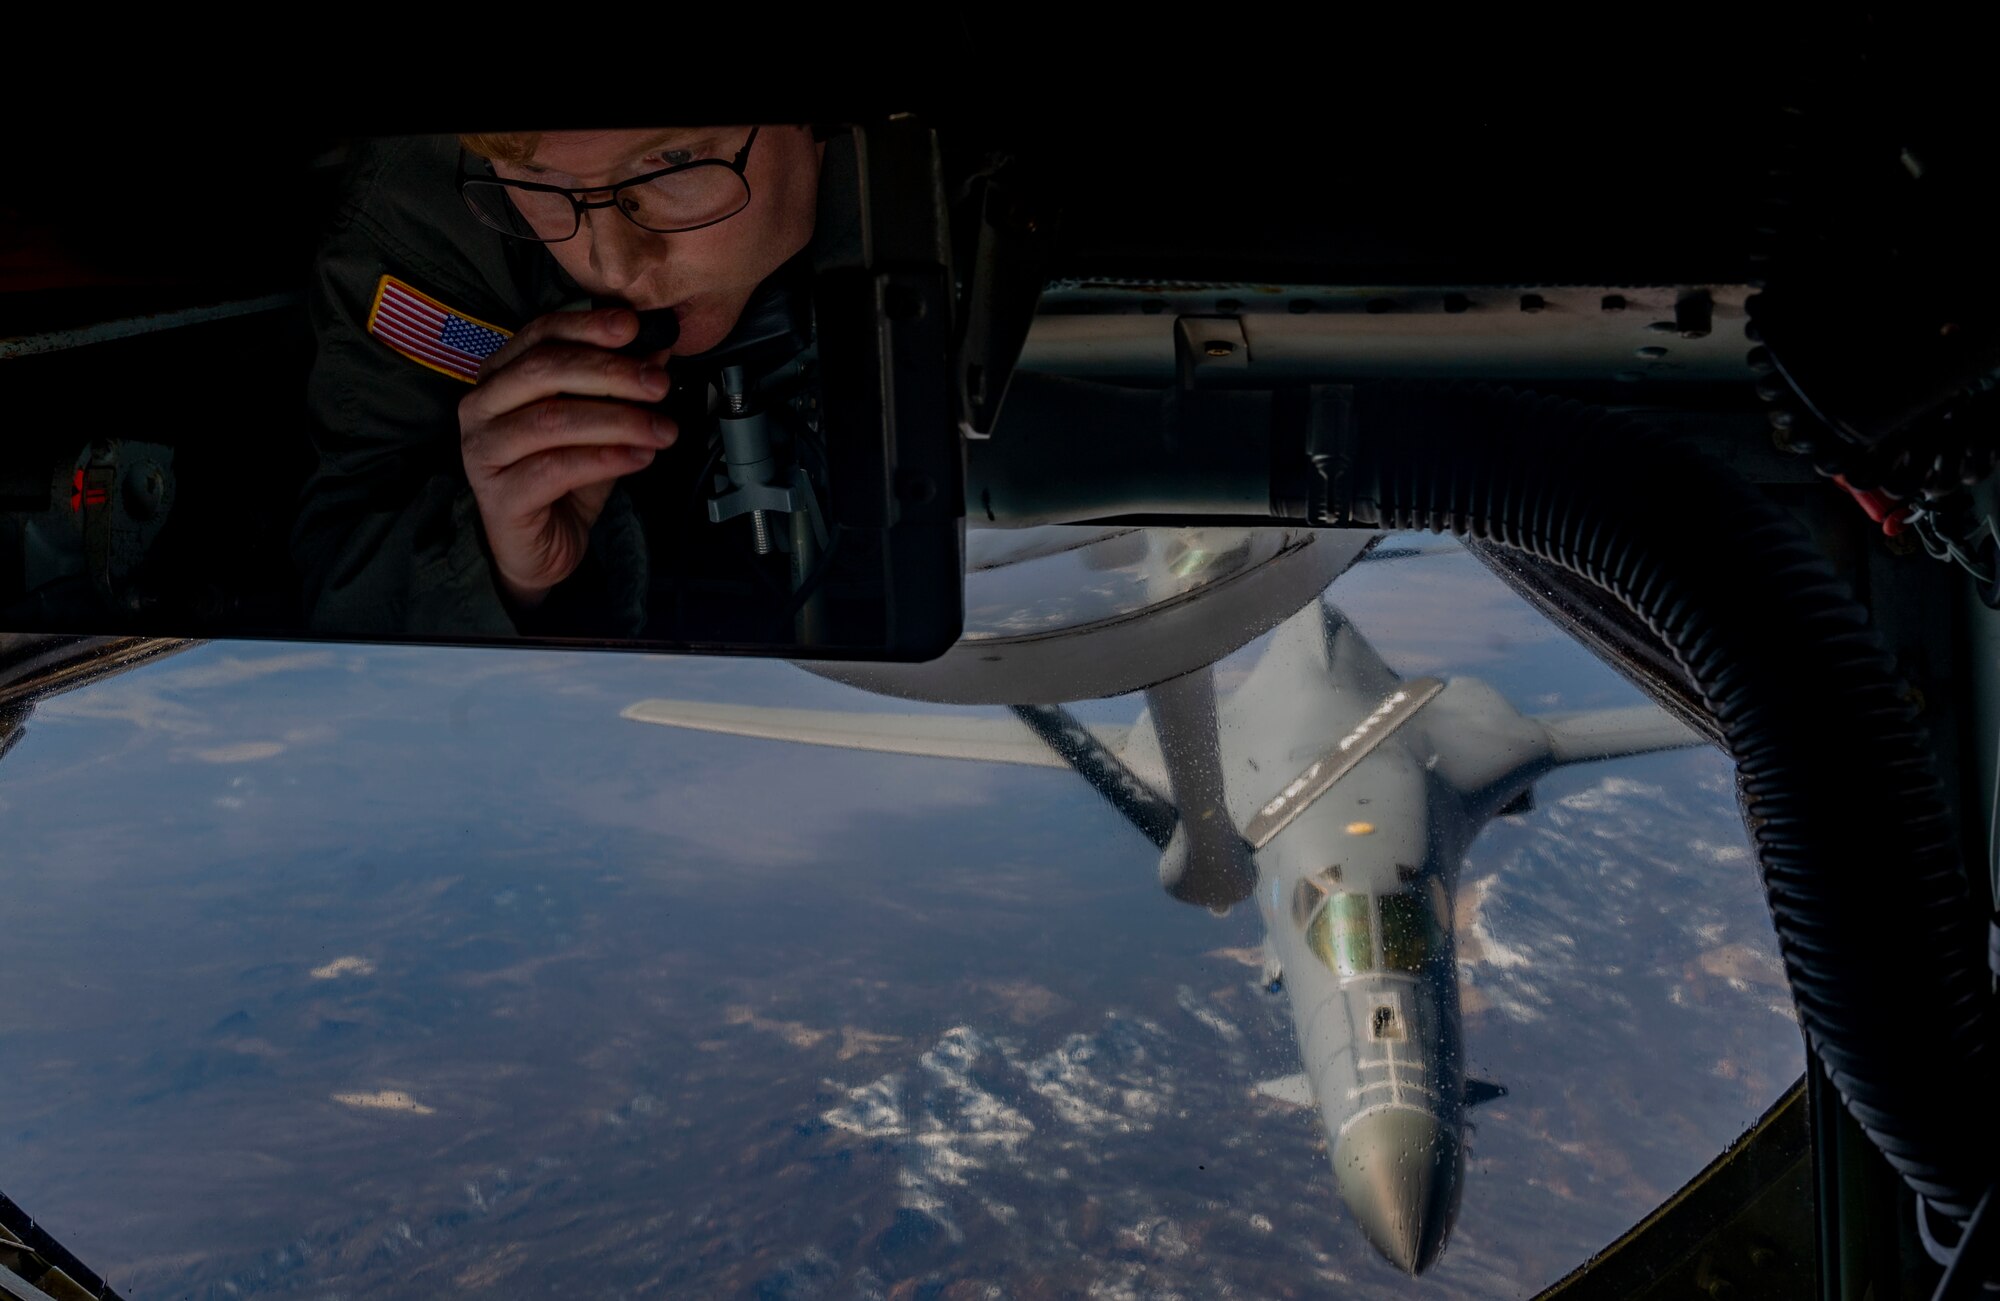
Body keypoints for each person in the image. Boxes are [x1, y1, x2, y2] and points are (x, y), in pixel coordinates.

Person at [293, 125, 823, 636]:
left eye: (677, 161)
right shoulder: (425, 218)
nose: (612, 267)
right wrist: (499, 573)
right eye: (539, 178)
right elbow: (339, 625)